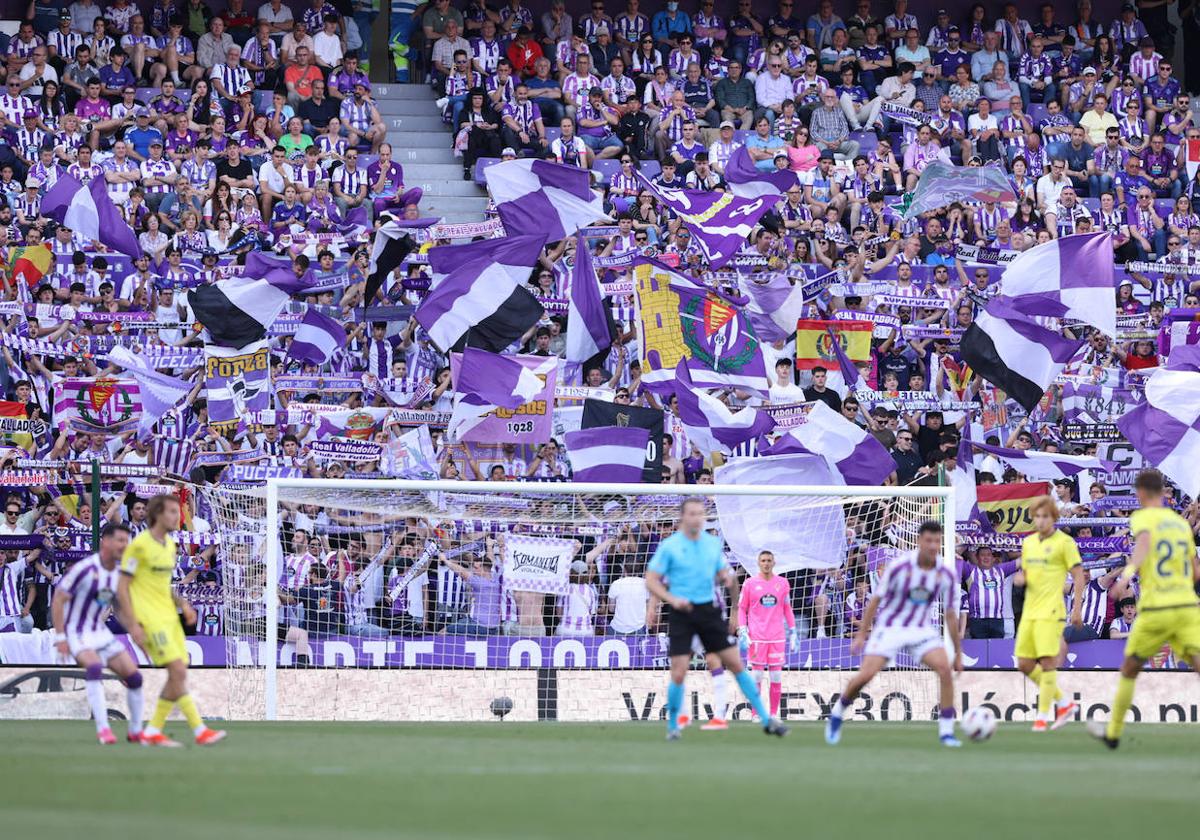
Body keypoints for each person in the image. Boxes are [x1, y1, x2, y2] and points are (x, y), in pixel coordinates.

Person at [644, 497, 788, 739]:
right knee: (678, 671)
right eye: (692, 513)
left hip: (708, 611)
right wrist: (658, 604)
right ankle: (673, 727)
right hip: (681, 612)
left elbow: (728, 578)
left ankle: (766, 719)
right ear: (682, 517)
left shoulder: (712, 544)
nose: (697, 518)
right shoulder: (669, 546)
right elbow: (652, 579)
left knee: (735, 664)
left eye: (700, 513)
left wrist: (733, 610)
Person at [825, 520, 963, 747]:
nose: (932, 545)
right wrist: (860, 635)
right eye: (928, 540)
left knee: (945, 670)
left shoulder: (945, 573)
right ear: (918, 541)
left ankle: (947, 732)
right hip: (890, 628)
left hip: (921, 630)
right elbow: (875, 600)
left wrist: (957, 652)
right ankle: (838, 712)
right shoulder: (900, 566)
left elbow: (950, 614)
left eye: (936, 541)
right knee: (865, 676)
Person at [1089, 469, 1200, 750]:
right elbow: (1195, 571)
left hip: (1156, 609)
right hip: (1186, 606)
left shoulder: (1142, 518)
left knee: (1129, 668)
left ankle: (1113, 733)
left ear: (1140, 493)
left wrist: (1125, 577)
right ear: (1163, 493)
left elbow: (1145, 543)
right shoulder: (1180, 525)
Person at [116, 493, 226, 747]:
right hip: (149, 620)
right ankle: (198, 730)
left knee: (179, 674)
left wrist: (183, 604)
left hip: (169, 617)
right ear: (158, 515)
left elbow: (163, 586)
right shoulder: (140, 545)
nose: (179, 516)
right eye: (173, 512)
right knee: (176, 670)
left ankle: (154, 730)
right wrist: (132, 624)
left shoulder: (168, 545)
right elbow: (122, 587)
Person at [52, 522, 145, 745]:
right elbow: (58, 599)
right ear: (106, 541)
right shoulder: (85, 568)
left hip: (99, 631)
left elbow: (116, 605)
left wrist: (134, 629)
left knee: (135, 677)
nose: (125, 545)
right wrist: (60, 636)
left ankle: (135, 732)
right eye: (120, 540)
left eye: (127, 541)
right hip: (77, 632)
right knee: (94, 667)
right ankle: (104, 729)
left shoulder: (119, 573)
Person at [1014, 495, 1084, 733]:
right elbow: (1026, 572)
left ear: (1054, 517)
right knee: (1023, 663)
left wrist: (1077, 609)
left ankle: (1042, 718)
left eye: (1045, 516)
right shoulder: (1028, 543)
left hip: (1052, 611)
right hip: (1030, 612)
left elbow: (1078, 575)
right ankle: (1064, 704)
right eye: (1037, 516)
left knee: (1046, 663)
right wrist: (1021, 578)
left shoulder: (1065, 543)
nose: (1041, 521)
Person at [737, 550, 798, 721]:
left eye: (769, 560)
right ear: (758, 563)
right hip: (757, 637)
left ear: (774, 562)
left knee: (776, 676)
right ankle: (757, 714)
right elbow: (742, 608)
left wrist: (793, 631)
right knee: (756, 675)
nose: (766, 563)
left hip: (777, 636)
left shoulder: (783, 583)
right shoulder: (749, 583)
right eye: (763, 560)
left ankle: (772, 714)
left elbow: (787, 608)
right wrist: (743, 630)